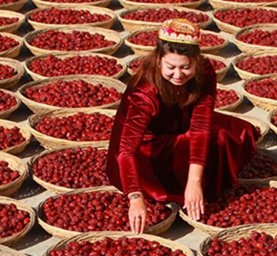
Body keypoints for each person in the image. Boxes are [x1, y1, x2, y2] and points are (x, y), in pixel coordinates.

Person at [107, 19, 259, 234]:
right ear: (159, 60)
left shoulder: (205, 72)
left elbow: (201, 126)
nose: (178, 75)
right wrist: (135, 197)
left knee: (234, 133)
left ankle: (196, 185)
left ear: (196, 61)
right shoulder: (144, 93)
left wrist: (194, 181)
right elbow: (126, 151)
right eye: (171, 67)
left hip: (181, 123)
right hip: (147, 146)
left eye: (185, 67)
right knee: (209, 146)